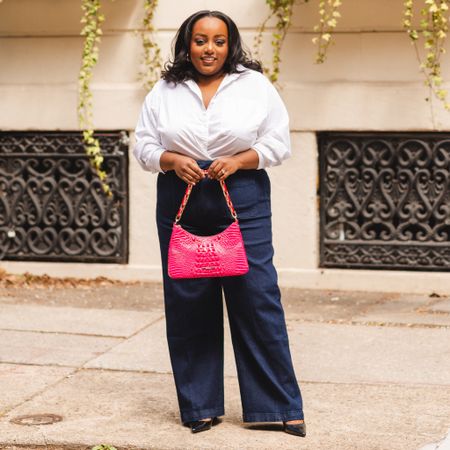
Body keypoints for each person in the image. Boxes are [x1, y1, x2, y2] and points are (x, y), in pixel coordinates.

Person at [133, 10, 305, 438]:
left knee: (257, 295)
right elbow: (144, 144)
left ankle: (276, 407)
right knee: (188, 297)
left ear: (231, 45)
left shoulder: (254, 85)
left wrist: (240, 160)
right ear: (186, 44)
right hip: (182, 194)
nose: (209, 49)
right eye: (201, 40)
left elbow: (278, 142)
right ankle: (199, 407)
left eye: (219, 41)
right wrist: (171, 160)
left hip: (241, 191)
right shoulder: (165, 88)